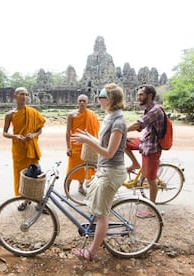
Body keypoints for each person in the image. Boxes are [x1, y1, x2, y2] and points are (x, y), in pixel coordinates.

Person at [70, 83, 127, 261]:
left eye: (101, 97)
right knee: (96, 206)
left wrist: (89, 141)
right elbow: (104, 145)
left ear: (110, 100)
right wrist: (88, 138)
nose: (98, 100)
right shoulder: (110, 117)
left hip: (111, 171)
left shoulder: (118, 122)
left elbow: (109, 153)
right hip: (104, 169)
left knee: (102, 216)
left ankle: (91, 252)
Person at [2, 87, 46, 205]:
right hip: (19, 148)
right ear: (15, 96)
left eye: (26, 94)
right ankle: (24, 200)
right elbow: (4, 133)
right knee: (21, 174)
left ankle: (39, 200)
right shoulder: (10, 115)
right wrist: (15, 136)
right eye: (22, 94)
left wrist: (34, 135)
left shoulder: (33, 112)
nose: (24, 97)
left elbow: (40, 130)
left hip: (32, 147)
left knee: (36, 173)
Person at [125, 84, 165, 214]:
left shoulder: (155, 110)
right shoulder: (149, 109)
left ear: (150, 96)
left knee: (150, 179)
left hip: (152, 147)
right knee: (123, 142)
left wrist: (119, 129)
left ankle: (151, 209)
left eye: (141, 95)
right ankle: (135, 164)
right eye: (138, 95)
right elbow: (140, 127)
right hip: (144, 141)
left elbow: (138, 124)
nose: (138, 97)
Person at [66, 94, 100, 195]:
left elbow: (96, 130)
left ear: (87, 102)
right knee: (71, 168)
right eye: (80, 101)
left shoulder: (91, 114)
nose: (82, 103)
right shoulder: (71, 115)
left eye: (84, 101)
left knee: (84, 167)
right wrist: (68, 147)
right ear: (77, 102)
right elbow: (68, 132)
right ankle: (67, 189)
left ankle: (80, 187)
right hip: (75, 144)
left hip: (87, 145)